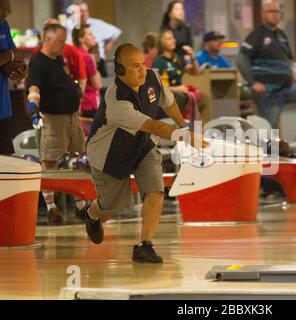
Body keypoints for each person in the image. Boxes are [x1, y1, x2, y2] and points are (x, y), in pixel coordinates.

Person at [83, 43, 207, 263]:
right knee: (114, 206)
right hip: (110, 153)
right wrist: (185, 137)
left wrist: (184, 125)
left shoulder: (152, 78)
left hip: (142, 145)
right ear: (119, 70)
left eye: (143, 64)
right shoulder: (116, 100)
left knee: (155, 191)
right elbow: (153, 126)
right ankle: (92, 213)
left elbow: (169, 103)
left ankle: (144, 246)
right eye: (134, 67)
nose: (142, 71)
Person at [237, 1, 296, 143]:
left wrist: (293, 75)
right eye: (271, 11)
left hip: (287, 88)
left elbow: (288, 60)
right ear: (263, 14)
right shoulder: (257, 35)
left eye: (277, 11)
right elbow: (241, 59)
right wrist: (252, 83)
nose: (275, 15)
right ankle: (263, 162)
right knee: (267, 134)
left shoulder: (281, 35)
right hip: (268, 92)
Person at [27, 24, 85, 224]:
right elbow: (34, 87)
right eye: (60, 41)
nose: (63, 45)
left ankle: (80, 204)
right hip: (52, 118)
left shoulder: (58, 60)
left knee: (79, 158)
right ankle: (51, 207)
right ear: (47, 39)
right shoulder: (38, 62)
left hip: (70, 117)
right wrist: (33, 107)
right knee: (49, 161)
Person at [153, 29, 201, 121]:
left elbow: (196, 72)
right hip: (165, 106)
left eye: (173, 38)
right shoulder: (159, 62)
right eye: (169, 39)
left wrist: (192, 56)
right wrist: (177, 89)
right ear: (162, 43)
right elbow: (155, 87)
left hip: (178, 101)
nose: (174, 40)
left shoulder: (176, 59)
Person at [0, 0, 27, 155]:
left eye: (7, 9)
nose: (4, 13)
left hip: (3, 109)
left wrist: (19, 69)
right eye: (1, 8)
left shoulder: (3, 25)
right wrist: (10, 55)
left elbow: (17, 57)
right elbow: (13, 54)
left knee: (6, 162)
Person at [32, 19, 87, 94]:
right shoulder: (37, 53)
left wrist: (79, 100)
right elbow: (31, 83)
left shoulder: (71, 51)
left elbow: (81, 77)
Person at [66, 1, 122, 75]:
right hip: (77, 60)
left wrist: (105, 50)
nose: (84, 14)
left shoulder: (98, 24)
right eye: (81, 11)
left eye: (86, 11)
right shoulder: (67, 25)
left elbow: (116, 32)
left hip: (97, 61)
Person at [72, 24, 102, 119]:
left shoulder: (73, 54)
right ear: (80, 39)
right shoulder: (88, 57)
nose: (94, 37)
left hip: (76, 103)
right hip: (90, 103)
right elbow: (97, 84)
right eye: (90, 34)